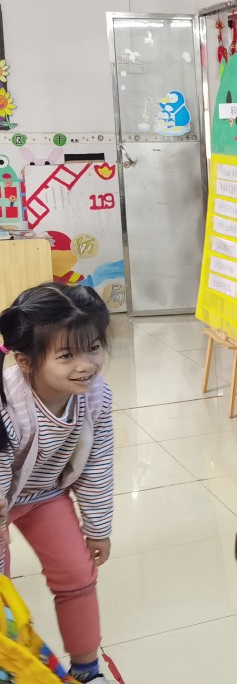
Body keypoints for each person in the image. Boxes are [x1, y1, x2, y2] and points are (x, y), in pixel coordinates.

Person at [0, 283, 115, 684]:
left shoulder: (95, 396)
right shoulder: (7, 402)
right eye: (67, 355)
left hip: (45, 494)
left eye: (93, 347)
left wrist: (98, 527)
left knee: (78, 575)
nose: (86, 365)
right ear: (25, 361)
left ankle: (86, 670)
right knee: (1, 595)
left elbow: (98, 463)